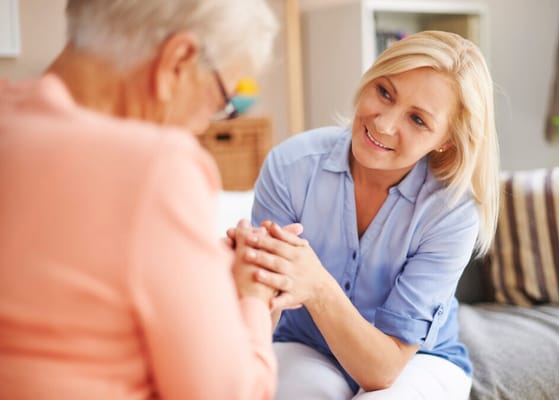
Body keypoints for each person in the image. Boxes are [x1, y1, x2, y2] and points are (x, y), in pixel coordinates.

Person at [0, 1, 280, 399]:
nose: (204, 125)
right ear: (178, 60)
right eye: (220, 102)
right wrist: (252, 298)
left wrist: (202, 268)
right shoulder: (159, 167)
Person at [234, 30, 500, 399]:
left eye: (418, 120)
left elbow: (384, 370)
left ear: (446, 140)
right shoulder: (290, 166)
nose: (384, 124)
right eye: (385, 92)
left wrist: (315, 284)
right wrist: (247, 281)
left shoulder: (451, 211)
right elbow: (259, 317)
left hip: (418, 361)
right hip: (304, 344)